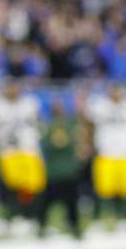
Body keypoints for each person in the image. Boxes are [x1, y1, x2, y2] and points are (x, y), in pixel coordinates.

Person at [85, 84, 126, 228]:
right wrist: (88, 144)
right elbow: (88, 124)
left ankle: (125, 219)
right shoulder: (99, 104)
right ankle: (100, 219)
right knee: (103, 189)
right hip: (106, 152)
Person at [0, 80, 45, 236]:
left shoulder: (29, 103)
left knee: (30, 187)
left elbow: (40, 122)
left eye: (15, 87)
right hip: (7, 151)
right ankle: (12, 216)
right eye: (9, 87)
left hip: (28, 149)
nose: (12, 91)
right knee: (9, 187)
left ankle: (29, 217)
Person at [37, 97, 84, 238]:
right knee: (46, 203)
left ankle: (74, 227)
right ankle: (42, 226)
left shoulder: (70, 125)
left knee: (72, 203)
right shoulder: (47, 126)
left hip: (69, 171)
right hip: (53, 172)